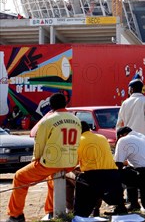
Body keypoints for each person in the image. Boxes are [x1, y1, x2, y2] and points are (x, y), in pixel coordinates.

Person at [6, 93, 81, 222]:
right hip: (70, 162)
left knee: (19, 177)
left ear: (50, 106)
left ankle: (16, 215)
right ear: (66, 103)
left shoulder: (48, 120)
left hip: (51, 162)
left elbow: (39, 144)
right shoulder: (76, 120)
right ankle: (51, 211)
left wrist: (35, 161)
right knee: (52, 179)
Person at [74, 122, 127, 217]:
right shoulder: (102, 137)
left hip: (93, 176)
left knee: (79, 181)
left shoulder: (78, 141)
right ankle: (120, 208)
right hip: (113, 175)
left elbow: (74, 162)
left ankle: (80, 213)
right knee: (97, 186)